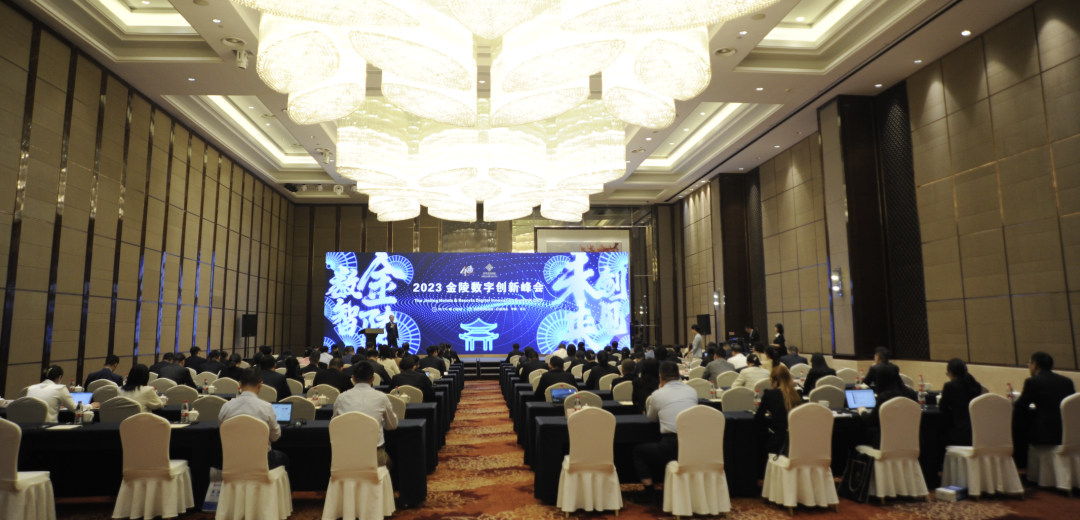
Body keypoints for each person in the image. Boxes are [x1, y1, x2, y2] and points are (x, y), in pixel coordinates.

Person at [633, 361, 699, 505]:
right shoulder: (692, 391)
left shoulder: (658, 394)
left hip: (671, 445)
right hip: (694, 445)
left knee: (638, 452)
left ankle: (650, 494)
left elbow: (652, 418)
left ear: (661, 377)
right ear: (679, 375)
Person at [217, 367, 289, 470]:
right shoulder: (266, 407)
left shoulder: (226, 407)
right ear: (260, 385)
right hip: (262, 460)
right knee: (283, 458)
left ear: (240, 384)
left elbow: (223, 431)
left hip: (233, 460)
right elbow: (275, 437)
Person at [333, 362, 397, 467]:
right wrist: (380, 423)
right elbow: (392, 425)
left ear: (353, 378)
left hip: (346, 455)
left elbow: (335, 425)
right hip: (375, 454)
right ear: (373, 379)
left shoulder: (341, 398)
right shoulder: (381, 397)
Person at [1015, 352, 1076, 446]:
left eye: (1029, 363)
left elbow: (1020, 406)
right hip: (1070, 433)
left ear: (1034, 365)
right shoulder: (1067, 381)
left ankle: (1021, 455)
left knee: (1019, 429)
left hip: (1046, 435)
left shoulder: (1033, 381)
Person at [858, 364, 918, 448]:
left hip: (886, 444)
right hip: (911, 443)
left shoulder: (884, 397)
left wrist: (862, 410)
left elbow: (870, 421)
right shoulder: (911, 393)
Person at [756, 365, 803, 455]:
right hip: (797, 440)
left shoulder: (770, 394)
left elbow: (759, 417)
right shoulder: (798, 393)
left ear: (772, 379)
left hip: (777, 442)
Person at [939, 358, 981, 446]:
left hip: (960, 433)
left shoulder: (950, 386)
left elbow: (942, 407)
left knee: (938, 435)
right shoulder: (976, 385)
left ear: (950, 373)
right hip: (977, 432)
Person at [28, 366, 92, 422]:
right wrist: (91, 406)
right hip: (49, 428)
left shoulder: (30, 388)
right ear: (59, 377)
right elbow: (76, 408)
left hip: (28, 428)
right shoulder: (60, 388)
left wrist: (57, 405)